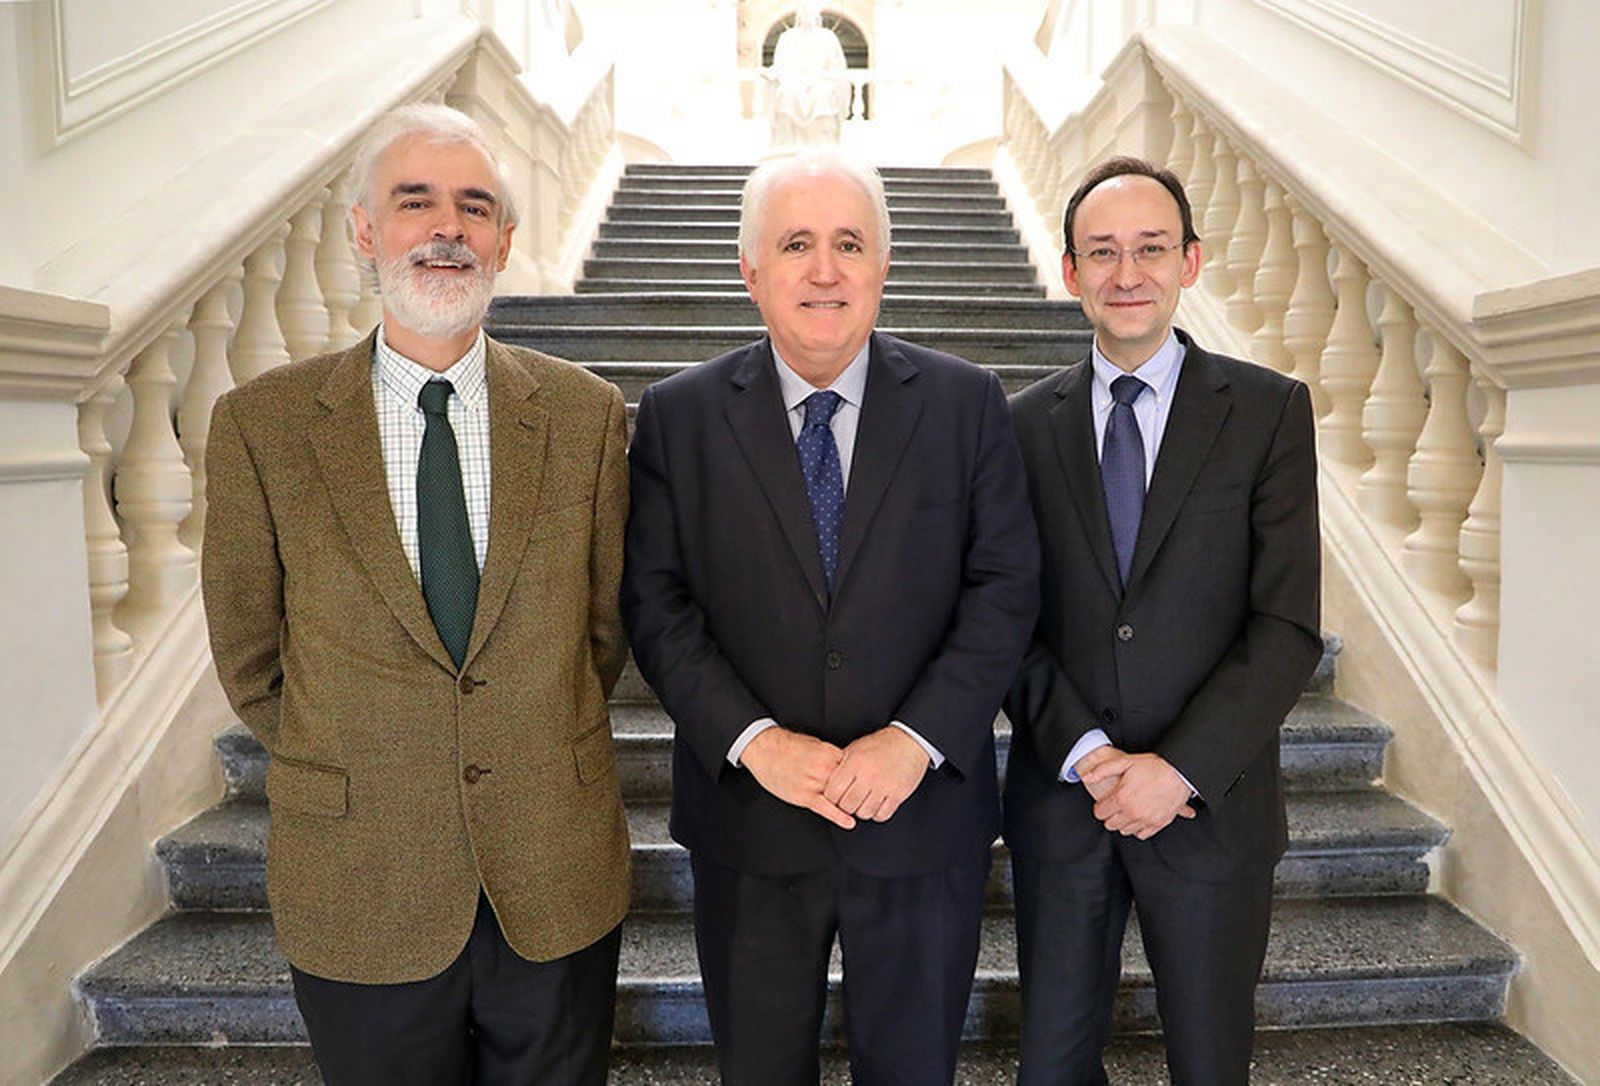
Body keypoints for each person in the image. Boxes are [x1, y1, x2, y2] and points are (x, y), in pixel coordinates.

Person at [202, 103, 630, 1085]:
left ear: (506, 241)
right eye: (415, 201)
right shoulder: (262, 426)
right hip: (361, 878)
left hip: (552, 872)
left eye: (475, 206)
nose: (448, 228)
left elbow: (601, 635)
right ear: (364, 229)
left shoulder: (584, 414)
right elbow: (252, 657)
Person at [621, 149, 1039, 1085]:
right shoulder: (676, 417)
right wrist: (755, 741)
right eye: (797, 244)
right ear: (750, 271)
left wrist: (917, 738)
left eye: (849, 243)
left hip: (921, 815)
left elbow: (1005, 588)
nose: (824, 269)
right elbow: (656, 602)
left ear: (883, 265)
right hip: (751, 821)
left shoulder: (967, 404)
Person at [1003, 155, 1322, 1084]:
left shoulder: (1267, 413)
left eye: (1149, 248)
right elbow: (1006, 619)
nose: (1126, 272)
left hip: (1212, 807)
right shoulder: (1018, 426)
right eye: (1102, 252)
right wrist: (1091, 756)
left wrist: (1177, 769)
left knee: (1211, 1063)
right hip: (1067, 801)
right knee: (1053, 1065)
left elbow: (1286, 624)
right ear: (1070, 272)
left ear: (1190, 260)